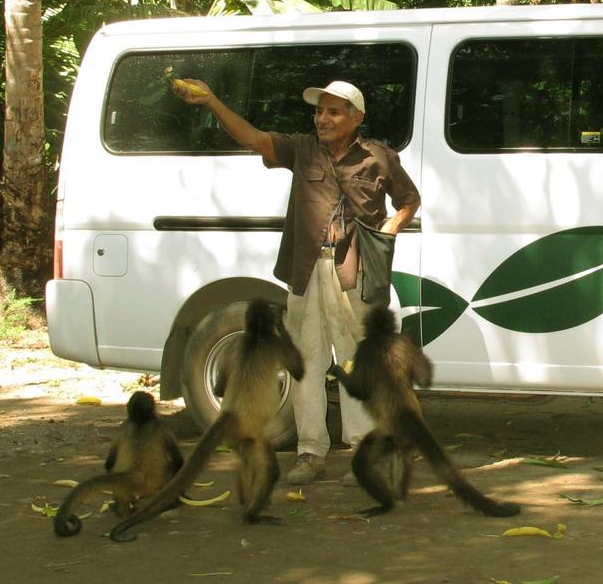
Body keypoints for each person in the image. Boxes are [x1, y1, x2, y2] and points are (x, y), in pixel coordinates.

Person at [173, 77, 420, 484]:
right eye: (319, 111)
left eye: (333, 111)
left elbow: (409, 200)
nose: (322, 118)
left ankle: (363, 451)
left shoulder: (378, 157)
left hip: (354, 273)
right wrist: (213, 102)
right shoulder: (302, 149)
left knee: (357, 363)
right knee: (306, 362)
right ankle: (310, 453)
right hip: (306, 269)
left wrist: (390, 229)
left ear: (355, 118)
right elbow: (252, 138)